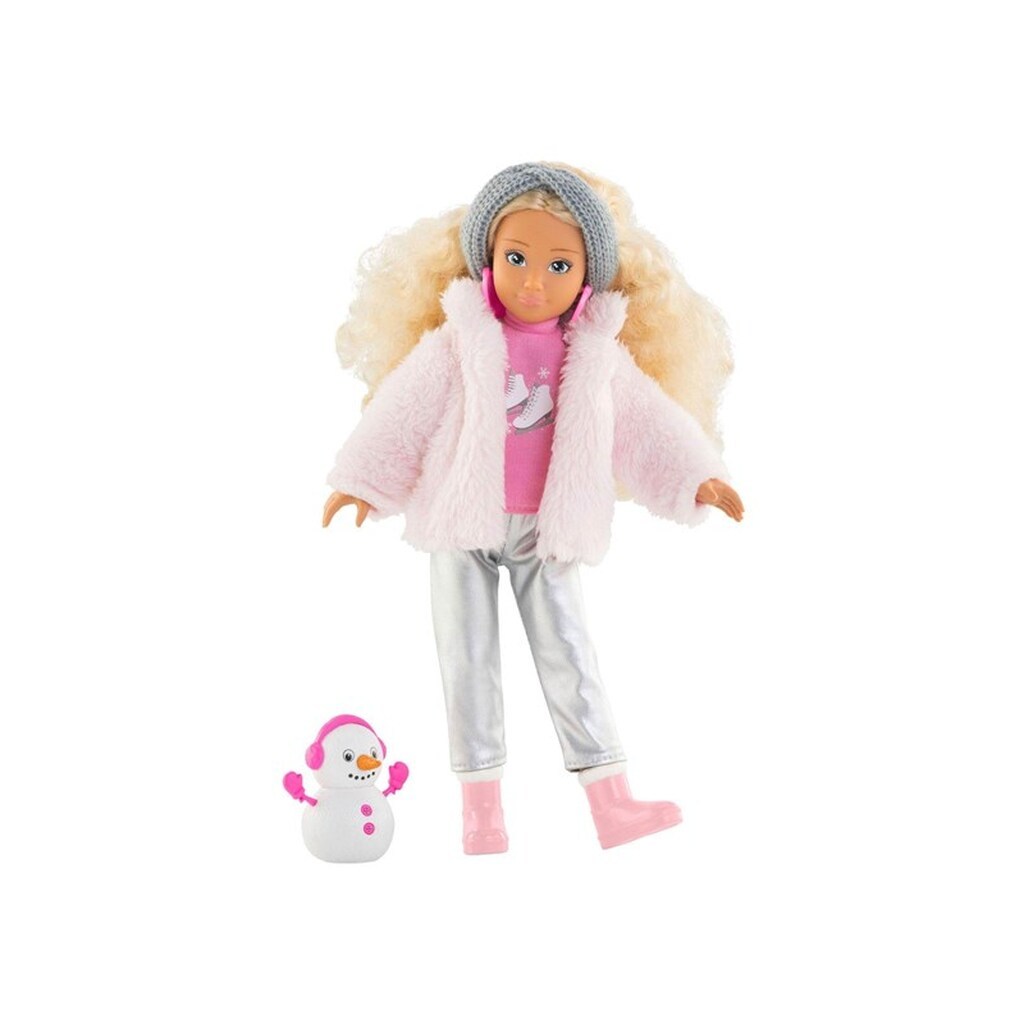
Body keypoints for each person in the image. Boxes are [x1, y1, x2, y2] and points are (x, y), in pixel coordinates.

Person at [323, 163, 743, 852]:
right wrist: (362, 480)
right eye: (516, 258)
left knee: (569, 654)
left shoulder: (596, 355)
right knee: (467, 661)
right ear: (486, 256)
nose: (534, 282)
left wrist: (696, 475)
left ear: (588, 276)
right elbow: (405, 409)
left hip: (548, 530)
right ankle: (481, 812)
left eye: (559, 265)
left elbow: (645, 423)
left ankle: (612, 803)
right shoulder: (460, 341)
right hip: (462, 525)